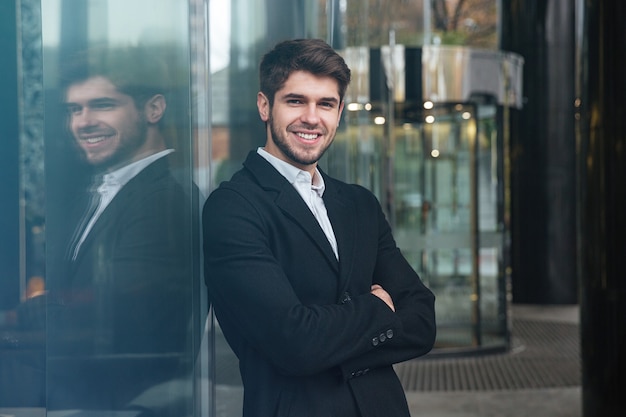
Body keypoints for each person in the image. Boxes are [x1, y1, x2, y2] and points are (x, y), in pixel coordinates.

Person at [203, 38, 436, 417]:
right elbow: (294, 343)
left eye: (325, 103)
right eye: (296, 101)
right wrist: (378, 308)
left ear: (340, 111)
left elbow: (423, 320)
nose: (311, 117)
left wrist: (330, 337)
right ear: (265, 106)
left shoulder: (359, 204)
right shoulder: (233, 207)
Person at [46, 48, 199, 415]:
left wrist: (16, 318)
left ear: (153, 110)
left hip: (125, 401)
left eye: (102, 105)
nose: (82, 122)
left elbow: (114, 310)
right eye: (74, 110)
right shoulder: (103, 190)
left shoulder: (163, 199)